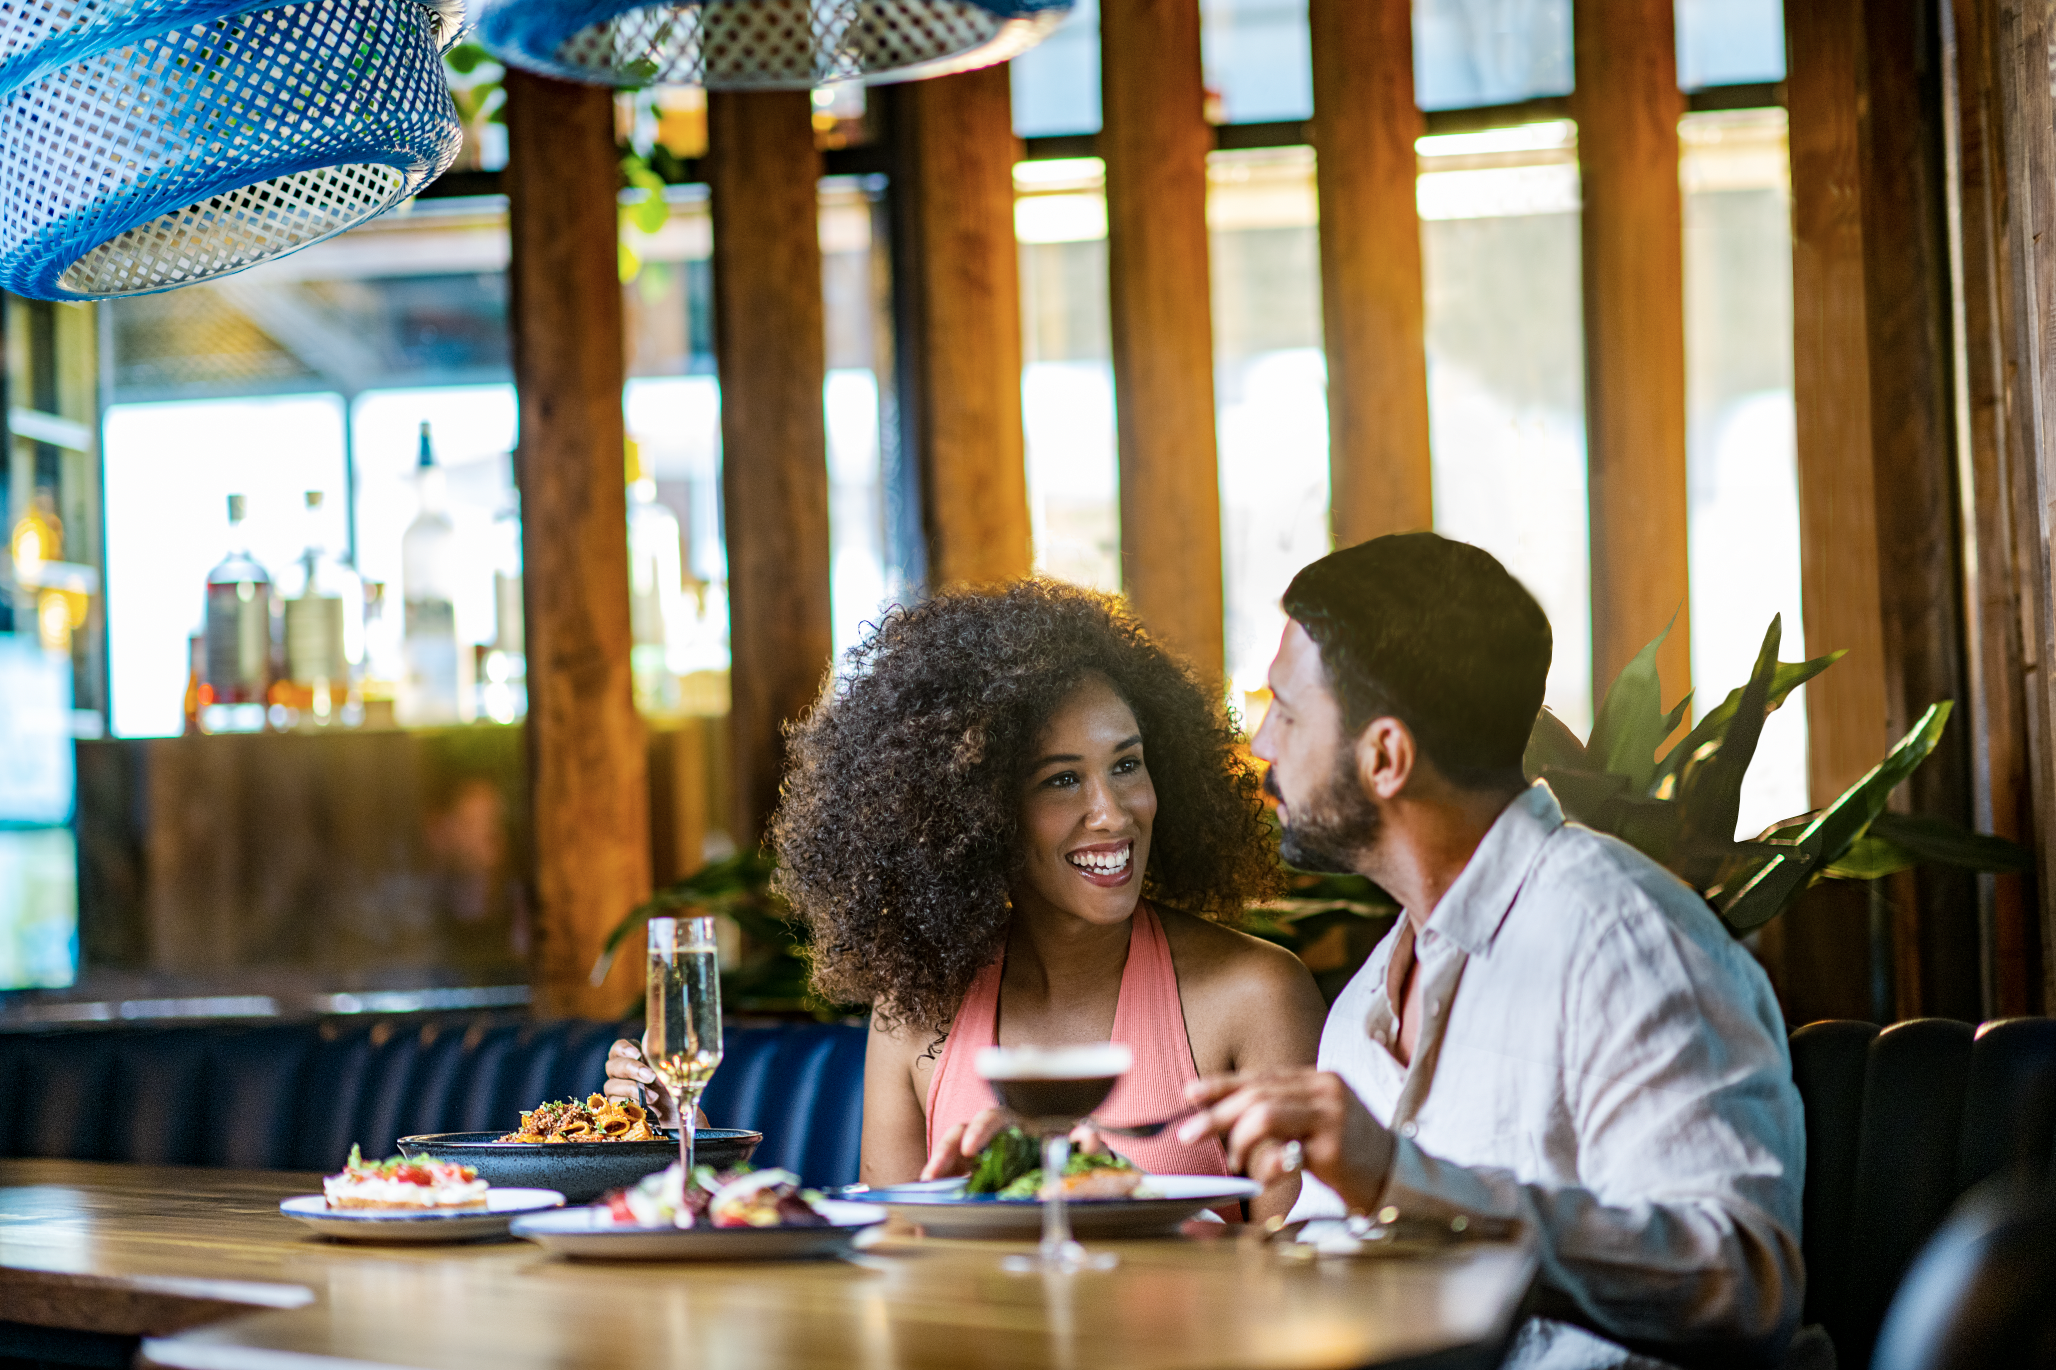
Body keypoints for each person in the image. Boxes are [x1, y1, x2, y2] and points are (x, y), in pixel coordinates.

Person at [1177, 533, 1805, 1367]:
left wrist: (1402, 1181)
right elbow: (1329, 1270)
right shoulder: (1369, 999)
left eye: (1286, 713)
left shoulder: (1628, 944)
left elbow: (1741, 1281)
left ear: (1386, 757)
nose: (1261, 747)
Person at [608, 580, 1323, 1220]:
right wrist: (679, 1142)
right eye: (1061, 780)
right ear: (973, 814)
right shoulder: (916, 1014)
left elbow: (1310, 1278)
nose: (1112, 812)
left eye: (1127, 765)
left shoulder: (1255, 996)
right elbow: (889, 1264)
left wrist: (1129, 1210)